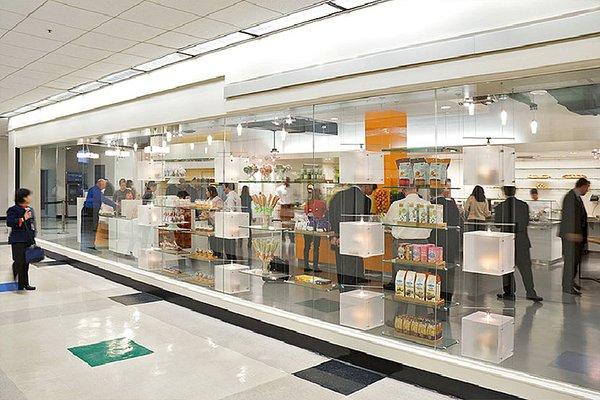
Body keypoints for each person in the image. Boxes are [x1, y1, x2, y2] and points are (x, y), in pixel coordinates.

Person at [494, 186, 543, 302]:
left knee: (506, 268)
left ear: (503, 192)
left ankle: (509, 292)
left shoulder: (500, 207)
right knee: (526, 268)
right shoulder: (523, 205)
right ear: (515, 191)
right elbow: (526, 222)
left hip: (506, 240)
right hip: (522, 240)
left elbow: (497, 224)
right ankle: (531, 292)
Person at [383, 187, 432, 291]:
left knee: (402, 278)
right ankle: (419, 305)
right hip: (422, 245)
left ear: (403, 190)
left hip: (402, 244)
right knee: (420, 279)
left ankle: (401, 305)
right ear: (417, 190)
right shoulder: (428, 204)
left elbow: (387, 223)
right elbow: (432, 225)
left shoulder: (396, 204)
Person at [328, 185, 372, 287]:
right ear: (366, 185)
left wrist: (334, 235)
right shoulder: (365, 200)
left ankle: (343, 291)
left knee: (341, 267)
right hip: (355, 240)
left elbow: (331, 216)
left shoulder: (337, 195)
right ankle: (352, 293)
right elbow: (364, 222)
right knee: (353, 268)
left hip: (339, 238)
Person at [429, 180, 461, 302]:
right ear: (443, 191)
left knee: (435, 271)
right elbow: (458, 223)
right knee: (448, 271)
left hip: (435, 243)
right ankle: (447, 297)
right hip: (450, 243)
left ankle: (435, 296)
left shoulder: (431, 204)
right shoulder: (452, 204)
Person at [559, 178, 590, 295]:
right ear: (582, 186)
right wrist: (571, 233)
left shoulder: (576, 198)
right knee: (570, 261)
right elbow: (569, 217)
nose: (587, 190)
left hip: (575, 235)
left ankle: (570, 281)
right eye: (587, 188)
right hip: (570, 236)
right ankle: (567, 286)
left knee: (575, 260)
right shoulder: (570, 197)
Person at [6, 188, 37, 291]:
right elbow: (10, 222)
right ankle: (15, 273)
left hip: (28, 239)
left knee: (26, 262)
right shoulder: (13, 209)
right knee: (19, 261)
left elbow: (32, 224)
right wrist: (22, 219)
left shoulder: (29, 209)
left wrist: (33, 236)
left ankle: (24, 284)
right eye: (28, 196)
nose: (30, 198)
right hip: (17, 239)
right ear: (23, 198)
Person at [81, 179, 117, 250]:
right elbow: (103, 199)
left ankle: (90, 245)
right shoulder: (96, 190)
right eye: (104, 185)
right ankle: (89, 246)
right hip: (90, 211)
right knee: (91, 229)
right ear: (100, 184)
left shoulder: (95, 190)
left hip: (91, 211)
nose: (105, 187)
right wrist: (114, 205)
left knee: (91, 229)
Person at [303, 186, 327, 273]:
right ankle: (315, 266)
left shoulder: (308, 202)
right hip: (318, 227)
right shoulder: (322, 203)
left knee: (307, 246)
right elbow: (325, 213)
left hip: (308, 227)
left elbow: (305, 213)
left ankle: (306, 265)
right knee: (316, 247)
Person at [207, 185, 225, 259]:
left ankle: (218, 254)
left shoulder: (218, 200)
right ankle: (213, 253)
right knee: (211, 239)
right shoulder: (208, 200)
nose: (206, 193)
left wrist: (210, 214)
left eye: (207, 191)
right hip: (210, 222)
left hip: (217, 222)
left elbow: (220, 212)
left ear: (211, 192)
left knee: (217, 240)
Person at [240, 185, 253, 261]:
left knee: (241, 228)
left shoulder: (240, 197)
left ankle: (240, 243)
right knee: (249, 228)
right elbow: (250, 207)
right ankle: (249, 243)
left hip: (242, 213)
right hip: (249, 213)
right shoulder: (250, 197)